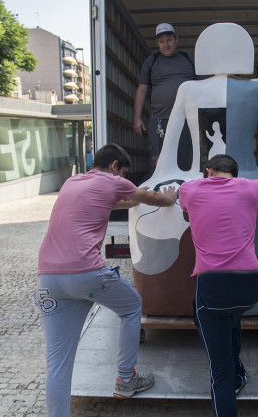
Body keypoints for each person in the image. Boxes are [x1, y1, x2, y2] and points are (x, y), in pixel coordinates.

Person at [34, 144, 178, 417]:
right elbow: (153, 199)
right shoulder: (113, 182)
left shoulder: (72, 182)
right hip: (85, 272)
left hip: (48, 278)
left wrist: (135, 199)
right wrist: (168, 198)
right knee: (133, 305)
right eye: (123, 173)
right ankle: (126, 379)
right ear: (115, 167)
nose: (124, 178)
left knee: (58, 364)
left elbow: (121, 201)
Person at [178, 154, 258, 417]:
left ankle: (232, 373)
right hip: (251, 286)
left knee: (220, 375)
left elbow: (186, 210)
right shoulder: (253, 186)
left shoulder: (190, 189)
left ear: (208, 171)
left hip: (215, 286)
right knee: (229, 316)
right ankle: (238, 371)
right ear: (235, 173)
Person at [134, 23, 197, 175]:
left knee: (185, 160)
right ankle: (157, 195)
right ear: (157, 43)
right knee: (157, 161)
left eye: (169, 40)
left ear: (176, 39)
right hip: (159, 120)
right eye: (161, 42)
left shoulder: (189, 59)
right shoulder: (151, 61)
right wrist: (137, 118)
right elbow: (142, 91)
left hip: (187, 120)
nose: (166, 44)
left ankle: (183, 194)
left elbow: (203, 88)